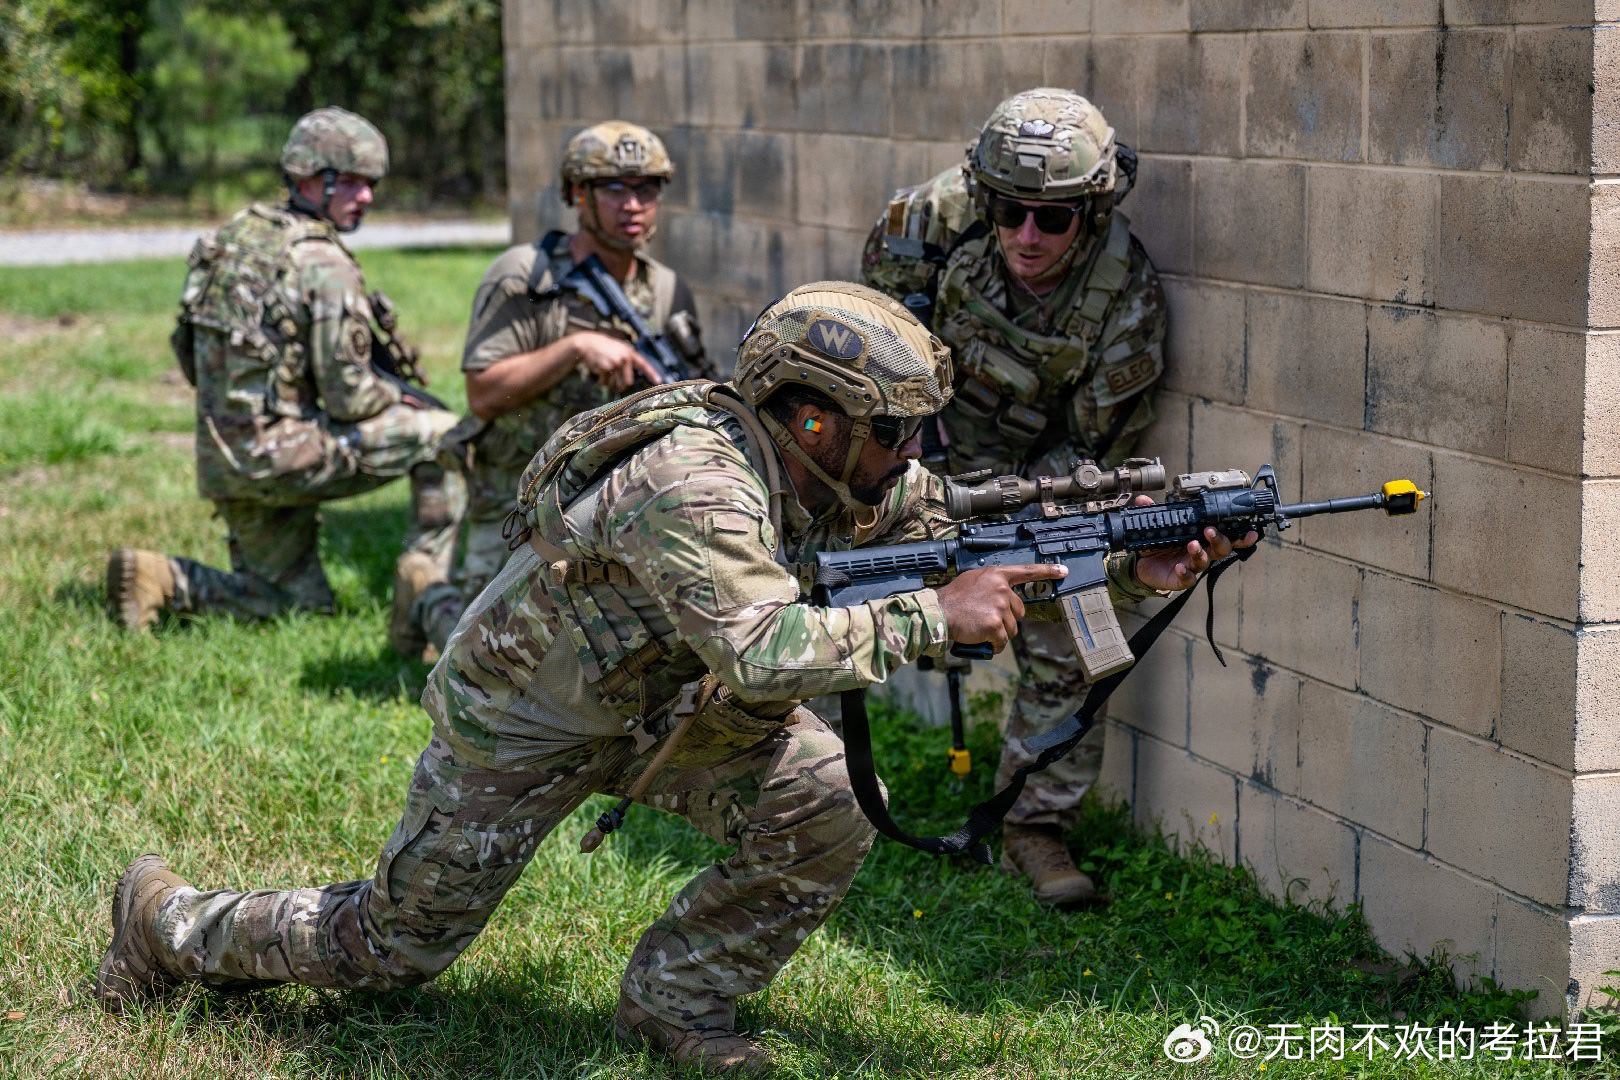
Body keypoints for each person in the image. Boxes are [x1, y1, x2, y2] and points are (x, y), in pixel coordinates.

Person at [94, 282, 1233, 1074]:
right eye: (901, 432)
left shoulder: (844, 472)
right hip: (530, 710)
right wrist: (928, 619)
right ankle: (168, 925)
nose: (916, 456)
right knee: (391, 951)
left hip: (669, 703)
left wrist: (1127, 564)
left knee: (822, 799)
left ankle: (678, 996)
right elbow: (766, 648)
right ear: (817, 419)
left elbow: (969, 545)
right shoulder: (693, 481)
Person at [863, 88, 1169, 907]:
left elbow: (1097, 449)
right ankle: (801, 781)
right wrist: (901, 442)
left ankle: (1034, 826)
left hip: (1033, 479)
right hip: (913, 456)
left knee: (1080, 620)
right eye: (1009, 211)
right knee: (826, 579)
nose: (1026, 236)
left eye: (1054, 219)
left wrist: (1006, 524)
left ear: (1093, 209)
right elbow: (872, 327)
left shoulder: (1124, 302)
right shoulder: (936, 220)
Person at [105, 106, 462, 630]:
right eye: (354, 183)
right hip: (280, 456)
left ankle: (162, 577)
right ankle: (426, 592)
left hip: (223, 458)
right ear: (315, 179)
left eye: (372, 184)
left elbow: (189, 355)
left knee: (295, 604)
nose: (367, 197)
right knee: (446, 435)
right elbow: (349, 397)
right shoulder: (323, 262)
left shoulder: (232, 240)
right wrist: (400, 399)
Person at [390, 120, 708, 661]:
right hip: (517, 490)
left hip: (611, 491)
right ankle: (425, 592)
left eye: (646, 189)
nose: (633, 205)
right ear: (576, 195)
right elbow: (482, 393)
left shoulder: (665, 288)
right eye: (614, 189)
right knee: (484, 654)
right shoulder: (524, 276)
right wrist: (573, 349)